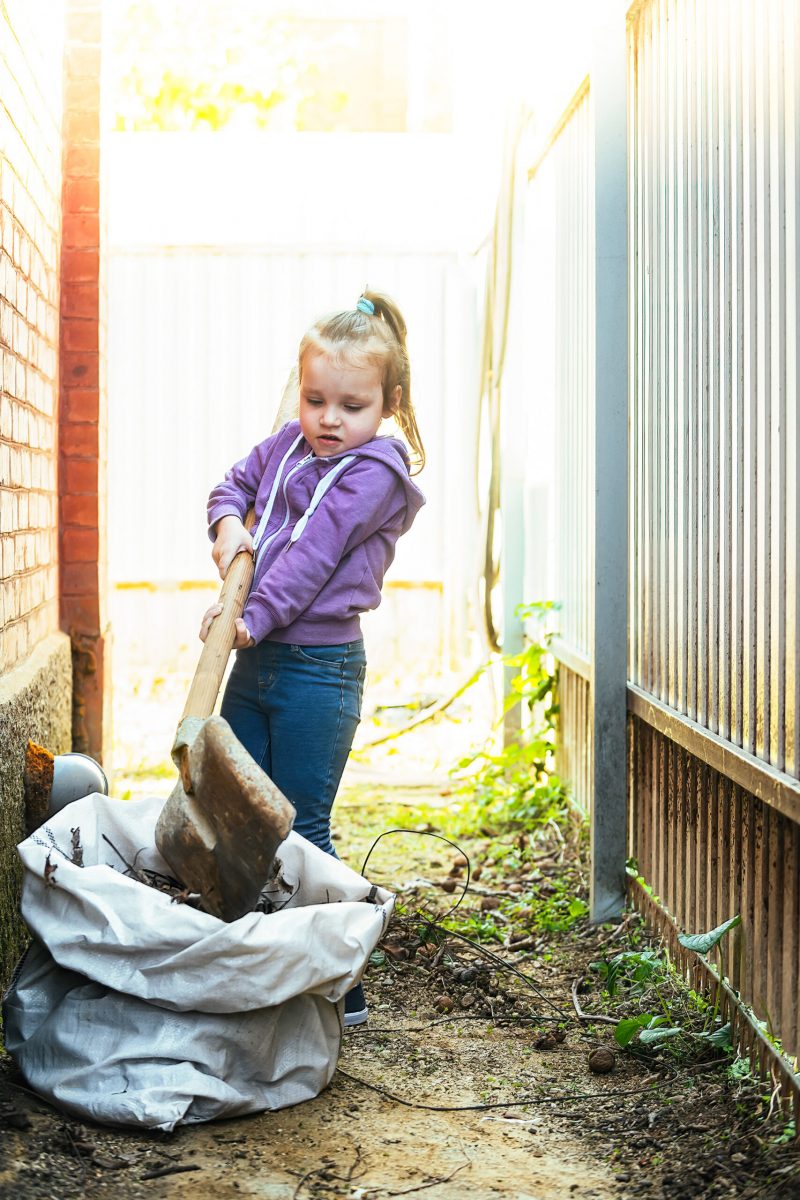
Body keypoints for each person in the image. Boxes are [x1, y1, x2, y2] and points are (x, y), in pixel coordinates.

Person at [200, 291, 425, 1027]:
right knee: (235, 809)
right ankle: (260, 967)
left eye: (351, 405)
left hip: (316, 672)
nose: (330, 419)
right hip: (260, 657)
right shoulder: (289, 446)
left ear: (388, 404)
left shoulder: (375, 474)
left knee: (301, 829)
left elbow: (311, 555)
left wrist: (246, 615)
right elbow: (231, 486)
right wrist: (229, 528)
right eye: (315, 399)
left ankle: (341, 992)